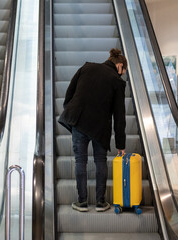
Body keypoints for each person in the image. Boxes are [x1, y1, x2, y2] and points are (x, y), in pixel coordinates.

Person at [58, 48, 127, 212]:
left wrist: (70, 112)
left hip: (79, 121)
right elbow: (119, 116)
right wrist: (121, 145)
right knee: (100, 162)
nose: (122, 75)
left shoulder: (87, 67)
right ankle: (100, 202)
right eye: (123, 72)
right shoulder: (117, 81)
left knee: (80, 161)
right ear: (119, 66)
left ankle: (82, 202)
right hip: (100, 128)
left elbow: (70, 92)